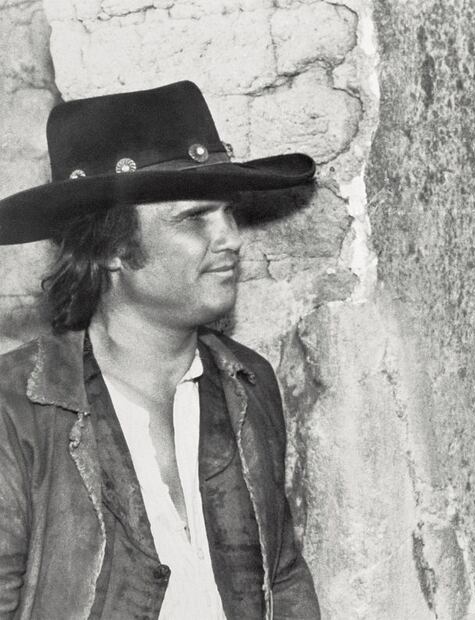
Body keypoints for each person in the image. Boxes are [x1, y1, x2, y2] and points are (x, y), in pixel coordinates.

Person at [0, 81, 320, 618]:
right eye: (196, 218)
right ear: (112, 249)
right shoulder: (17, 410)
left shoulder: (249, 381)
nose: (232, 238)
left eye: (228, 212)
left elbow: (282, 576)